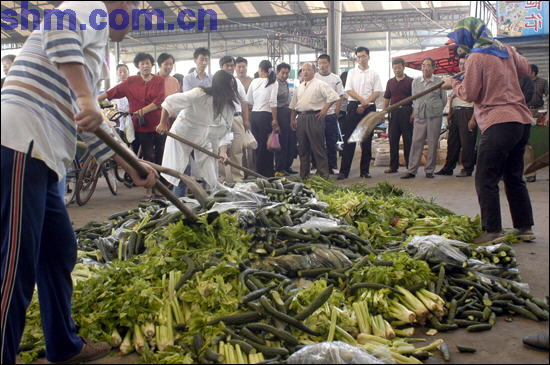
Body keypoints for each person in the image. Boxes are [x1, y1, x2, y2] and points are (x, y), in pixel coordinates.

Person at [0, 2, 157, 364]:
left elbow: (88, 123)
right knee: (14, 267)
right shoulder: (90, 6)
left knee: (58, 251)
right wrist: (87, 97)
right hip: (23, 141)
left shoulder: (91, 54)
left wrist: (129, 165)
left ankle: (63, 345)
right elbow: (57, 26)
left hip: (44, 156)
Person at [443, 16, 535, 245]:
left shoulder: (476, 56)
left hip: (499, 121)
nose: (459, 43)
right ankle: (524, 227)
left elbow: (471, 93)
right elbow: (524, 69)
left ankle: (492, 230)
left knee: (485, 177)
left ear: (467, 36)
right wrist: (509, 50)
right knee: (513, 175)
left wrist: (453, 85)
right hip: (520, 122)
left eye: (459, 38)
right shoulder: (503, 49)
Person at [98, 52, 166, 201]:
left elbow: (159, 101)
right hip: (141, 127)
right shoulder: (131, 82)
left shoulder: (159, 80)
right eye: (142, 63)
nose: (145, 66)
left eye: (148, 63)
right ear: (138, 66)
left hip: (159, 124)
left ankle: (159, 186)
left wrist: (140, 111)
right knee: (148, 157)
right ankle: (150, 188)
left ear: (152, 64)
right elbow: (112, 92)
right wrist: (92, 101)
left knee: (161, 155)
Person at [157, 70, 238, 190]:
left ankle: (210, 196)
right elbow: (170, 101)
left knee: (210, 173)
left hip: (203, 137)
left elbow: (224, 130)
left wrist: (223, 152)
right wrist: (162, 123)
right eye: (228, 88)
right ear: (220, 87)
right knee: (182, 173)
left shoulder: (229, 107)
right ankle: (179, 203)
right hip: (182, 134)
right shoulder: (199, 94)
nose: (230, 93)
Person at [339, 46, 383, 180]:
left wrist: (366, 103)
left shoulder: (374, 73)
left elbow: (377, 92)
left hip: (369, 108)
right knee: (350, 140)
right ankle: (344, 172)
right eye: (358, 57)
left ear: (368, 57)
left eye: (363, 56)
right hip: (353, 107)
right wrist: (361, 101)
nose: (361, 59)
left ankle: (365, 171)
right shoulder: (351, 72)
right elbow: (349, 90)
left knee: (366, 140)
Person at [290, 63, 340, 179]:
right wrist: (292, 119)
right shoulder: (300, 87)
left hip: (315, 117)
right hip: (301, 118)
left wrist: (324, 110)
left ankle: (323, 175)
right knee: (302, 149)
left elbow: (334, 97)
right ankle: (304, 175)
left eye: (308, 69)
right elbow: (293, 105)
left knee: (318, 148)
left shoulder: (320, 84)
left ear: (314, 71)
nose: (305, 72)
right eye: (303, 70)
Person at [401, 58, 447, 179]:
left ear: (433, 68)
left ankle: (429, 170)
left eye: (428, 65)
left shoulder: (439, 81)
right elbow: (414, 98)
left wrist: (436, 109)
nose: (425, 68)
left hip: (434, 115)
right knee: (416, 142)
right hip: (420, 115)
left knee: (432, 142)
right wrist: (414, 111)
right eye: (423, 65)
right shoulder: (416, 82)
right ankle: (412, 170)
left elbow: (444, 99)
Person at [436, 54, 477, 177]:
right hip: (455, 112)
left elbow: (477, 101)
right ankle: (448, 167)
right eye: (460, 64)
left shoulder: (473, 79)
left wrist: (473, 118)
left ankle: (467, 168)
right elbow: (450, 94)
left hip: (467, 112)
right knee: (452, 142)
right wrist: (449, 114)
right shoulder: (457, 79)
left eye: (465, 64)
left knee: (467, 143)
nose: (462, 66)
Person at [219, 55, 250, 182]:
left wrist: (246, 119)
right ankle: (221, 178)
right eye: (227, 65)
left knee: (237, 150)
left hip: (237, 118)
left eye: (232, 65)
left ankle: (238, 179)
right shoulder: (216, 81)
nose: (230, 68)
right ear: (221, 67)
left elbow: (244, 102)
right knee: (220, 149)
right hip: (221, 119)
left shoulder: (237, 82)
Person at [246, 60, 279, 177]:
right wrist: (275, 119)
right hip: (266, 116)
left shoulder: (254, 82)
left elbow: (248, 100)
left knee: (257, 145)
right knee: (267, 145)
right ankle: (268, 172)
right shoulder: (274, 82)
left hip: (255, 116)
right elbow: (273, 102)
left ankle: (258, 171)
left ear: (260, 69)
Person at [315, 54, 345, 175]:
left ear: (329, 63)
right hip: (316, 115)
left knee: (331, 141)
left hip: (331, 114)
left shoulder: (336, 78)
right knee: (317, 141)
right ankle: (316, 165)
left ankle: (332, 166)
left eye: (324, 63)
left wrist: (336, 111)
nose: (322, 66)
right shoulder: (314, 77)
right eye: (320, 63)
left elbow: (340, 96)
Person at [383, 57, 414, 174]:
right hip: (394, 113)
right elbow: (386, 98)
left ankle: (409, 166)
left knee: (408, 140)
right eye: (394, 68)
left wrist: (413, 113)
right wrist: (384, 112)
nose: (397, 70)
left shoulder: (411, 81)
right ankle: (393, 166)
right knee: (393, 140)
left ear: (403, 67)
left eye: (399, 67)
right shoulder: (390, 82)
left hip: (407, 112)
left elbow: (415, 99)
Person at [274, 63, 295, 177]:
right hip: (279, 113)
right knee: (281, 142)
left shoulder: (286, 83)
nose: (285, 75)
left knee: (289, 141)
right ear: (277, 72)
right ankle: (280, 167)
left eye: (287, 73)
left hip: (288, 113)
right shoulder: (275, 83)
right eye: (283, 73)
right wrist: (275, 120)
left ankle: (287, 166)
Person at [112, 64, 133, 145]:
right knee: (123, 146)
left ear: (129, 73)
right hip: (121, 122)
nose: (122, 74)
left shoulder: (134, 86)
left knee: (133, 145)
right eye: (120, 72)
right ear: (117, 74)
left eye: (124, 71)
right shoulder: (116, 87)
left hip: (133, 122)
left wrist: (130, 110)